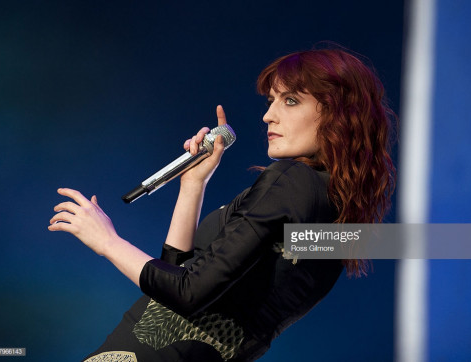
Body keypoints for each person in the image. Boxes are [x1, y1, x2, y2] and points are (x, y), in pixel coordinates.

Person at [48, 46, 396, 361]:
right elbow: (179, 277)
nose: (268, 116)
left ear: (337, 114)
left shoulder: (290, 180)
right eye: (271, 101)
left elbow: (187, 292)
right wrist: (192, 185)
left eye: (290, 100)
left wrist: (108, 242)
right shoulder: (335, 218)